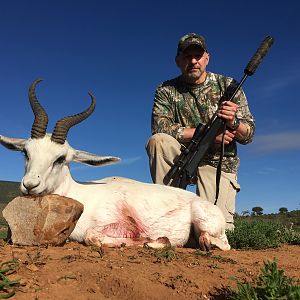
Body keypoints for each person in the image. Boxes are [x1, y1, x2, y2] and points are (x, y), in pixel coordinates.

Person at [146, 33, 255, 230]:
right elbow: (160, 127)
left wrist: (234, 122)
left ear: (207, 58)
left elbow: (249, 135)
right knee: (158, 141)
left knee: (216, 230)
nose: (193, 61)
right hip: (184, 157)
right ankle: (166, 212)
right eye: (188, 57)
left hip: (218, 164)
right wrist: (209, 135)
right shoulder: (166, 89)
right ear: (178, 61)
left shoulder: (229, 86)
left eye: (198, 56)